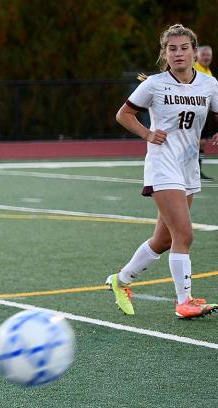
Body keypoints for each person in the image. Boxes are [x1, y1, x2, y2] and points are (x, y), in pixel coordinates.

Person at [107, 24, 218, 319]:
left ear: (195, 52)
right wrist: (146, 133)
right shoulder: (155, 84)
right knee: (184, 233)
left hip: (188, 167)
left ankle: (120, 281)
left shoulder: (209, 85)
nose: (178, 53)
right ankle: (184, 302)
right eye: (172, 49)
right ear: (164, 54)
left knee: (165, 240)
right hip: (162, 165)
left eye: (184, 48)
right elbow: (123, 115)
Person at [194, 45, 215, 179]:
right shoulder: (194, 68)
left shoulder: (208, 72)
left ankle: (197, 170)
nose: (206, 57)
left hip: (204, 112)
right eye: (204, 54)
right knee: (191, 142)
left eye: (208, 55)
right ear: (197, 55)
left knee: (202, 142)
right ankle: (190, 170)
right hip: (194, 111)